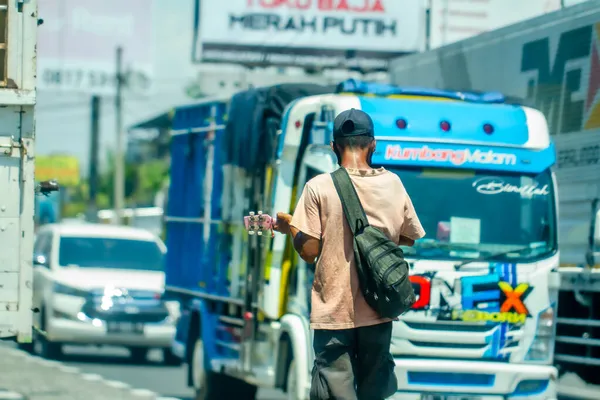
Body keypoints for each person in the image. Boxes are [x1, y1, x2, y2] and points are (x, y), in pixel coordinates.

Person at [273, 108, 426, 400]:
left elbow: (309, 250)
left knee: (334, 390)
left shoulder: (319, 187)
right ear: (373, 144)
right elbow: (407, 238)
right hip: (380, 310)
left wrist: (291, 226)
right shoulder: (394, 184)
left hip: (335, 314)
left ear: (333, 147)